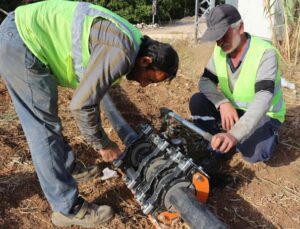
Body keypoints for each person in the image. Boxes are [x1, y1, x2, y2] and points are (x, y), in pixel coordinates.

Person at [0, 0, 179, 227]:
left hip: (23, 35)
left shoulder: (134, 39)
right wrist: (103, 144)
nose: (143, 86)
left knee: (47, 124)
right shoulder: (122, 52)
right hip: (22, 43)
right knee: (42, 129)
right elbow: (81, 105)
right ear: (146, 61)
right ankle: (67, 209)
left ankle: (68, 170)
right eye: (149, 79)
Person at [189, 4, 285, 172]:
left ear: (240, 28)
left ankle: (235, 138)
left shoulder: (265, 53)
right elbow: (205, 81)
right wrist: (222, 103)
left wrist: (234, 134)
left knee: (255, 152)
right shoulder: (220, 52)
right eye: (216, 38)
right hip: (233, 110)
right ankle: (216, 141)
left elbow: (263, 99)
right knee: (198, 101)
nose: (219, 43)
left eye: (223, 35)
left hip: (264, 115)